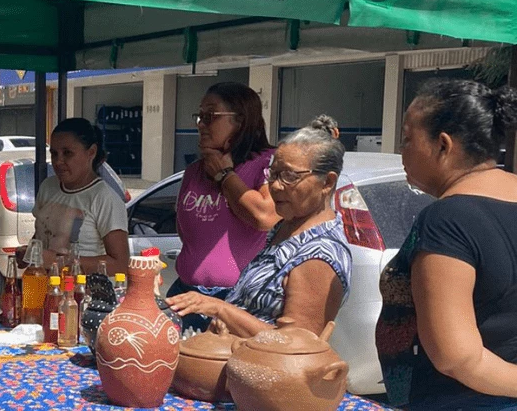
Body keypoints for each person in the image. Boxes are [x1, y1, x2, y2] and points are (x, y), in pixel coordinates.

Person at [376, 80, 517, 410]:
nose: (402, 152)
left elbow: (456, 357)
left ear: (443, 145)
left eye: (408, 139)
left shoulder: (447, 219)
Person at [167, 116, 352, 339]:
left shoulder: (318, 256)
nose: (275, 185)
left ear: (328, 183)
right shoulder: (286, 230)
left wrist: (220, 309)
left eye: (290, 176)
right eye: (272, 174)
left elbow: (295, 344)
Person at [168, 82, 279, 331]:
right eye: (199, 116)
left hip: (237, 303)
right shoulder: (195, 171)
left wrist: (225, 175)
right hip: (187, 294)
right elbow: (187, 234)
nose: (200, 124)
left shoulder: (266, 163)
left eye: (210, 116)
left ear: (240, 120)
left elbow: (264, 217)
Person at [17, 118, 130, 275]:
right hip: (41, 289)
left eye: (67, 153)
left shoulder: (105, 198)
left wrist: (60, 262)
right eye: (54, 154)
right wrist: (28, 253)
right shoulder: (48, 187)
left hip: (83, 294)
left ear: (91, 152)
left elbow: (120, 264)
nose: (58, 161)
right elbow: (42, 234)